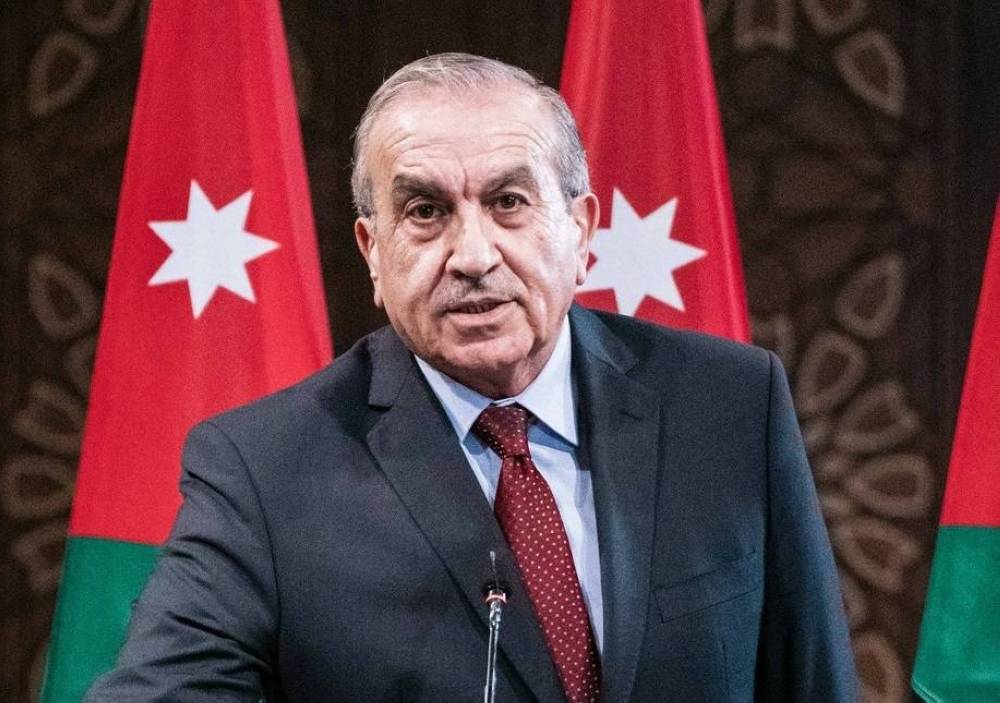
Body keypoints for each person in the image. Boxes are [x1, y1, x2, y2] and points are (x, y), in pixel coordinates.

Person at [87, 53, 857, 702]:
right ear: (373, 252)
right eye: (426, 211)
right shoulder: (264, 470)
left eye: (509, 202)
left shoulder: (729, 406)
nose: (474, 256)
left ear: (581, 230)